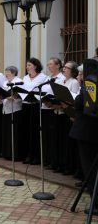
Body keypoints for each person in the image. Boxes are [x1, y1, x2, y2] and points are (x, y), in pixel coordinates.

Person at [70, 58, 98, 215]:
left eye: (80, 73)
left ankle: (96, 202)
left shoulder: (88, 84)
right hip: (92, 132)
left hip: (87, 133)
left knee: (90, 169)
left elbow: (80, 104)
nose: (79, 76)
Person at [21, 57, 47, 165]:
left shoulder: (43, 77)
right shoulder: (25, 77)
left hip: (36, 106)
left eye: (29, 65)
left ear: (35, 66)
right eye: (27, 65)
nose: (27, 67)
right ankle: (28, 155)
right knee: (26, 130)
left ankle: (36, 156)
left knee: (35, 131)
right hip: (26, 105)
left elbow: (43, 91)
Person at [42, 57, 65, 169]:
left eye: (51, 64)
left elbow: (60, 93)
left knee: (53, 137)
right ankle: (47, 159)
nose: (49, 66)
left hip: (54, 110)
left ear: (58, 65)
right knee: (46, 136)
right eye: (48, 64)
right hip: (45, 108)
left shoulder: (61, 78)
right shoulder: (48, 77)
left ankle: (55, 162)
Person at [0, 66, 23, 160]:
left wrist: (13, 98)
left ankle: (15, 154)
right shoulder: (5, 83)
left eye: (8, 72)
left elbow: (20, 97)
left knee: (14, 133)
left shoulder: (19, 82)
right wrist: (0, 98)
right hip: (6, 110)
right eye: (5, 72)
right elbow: (2, 96)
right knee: (7, 132)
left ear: (13, 73)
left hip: (15, 110)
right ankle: (7, 153)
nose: (6, 74)